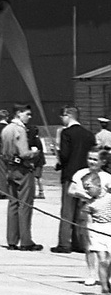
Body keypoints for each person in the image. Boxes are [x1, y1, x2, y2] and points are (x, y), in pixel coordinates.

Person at [53, 107, 96, 253]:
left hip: (70, 175)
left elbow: (65, 156)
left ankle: (64, 243)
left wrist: (58, 156)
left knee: (67, 210)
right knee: (81, 211)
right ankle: (80, 242)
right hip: (85, 175)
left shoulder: (67, 133)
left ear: (68, 115)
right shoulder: (89, 134)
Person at [0, 105, 41, 250]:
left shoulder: (6, 129)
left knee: (13, 203)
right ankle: (26, 241)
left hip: (10, 167)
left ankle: (12, 239)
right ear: (19, 113)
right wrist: (35, 152)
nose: (29, 117)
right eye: (27, 114)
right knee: (25, 204)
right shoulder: (20, 129)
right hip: (23, 168)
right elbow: (24, 152)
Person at [77, 169, 111, 295]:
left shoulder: (109, 197)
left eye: (89, 188)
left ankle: (107, 279)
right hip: (97, 231)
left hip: (109, 229)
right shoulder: (89, 203)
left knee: (109, 260)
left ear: (98, 185)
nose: (87, 191)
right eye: (85, 189)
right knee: (102, 260)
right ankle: (104, 288)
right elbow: (86, 221)